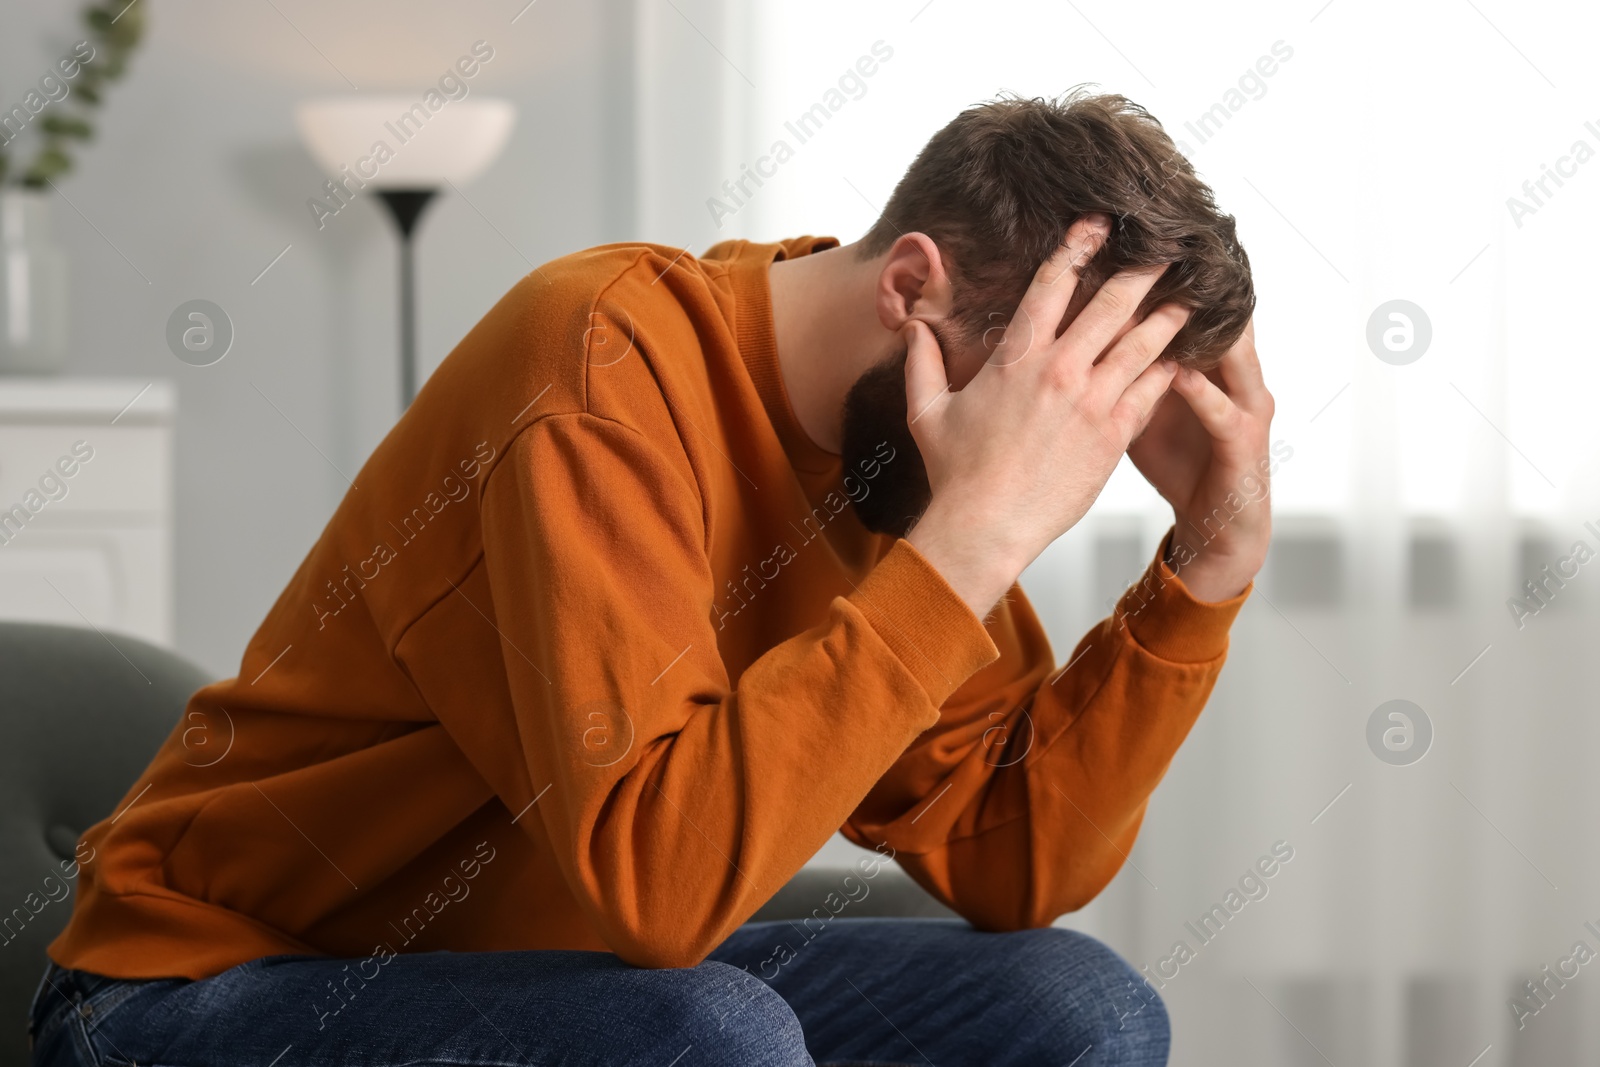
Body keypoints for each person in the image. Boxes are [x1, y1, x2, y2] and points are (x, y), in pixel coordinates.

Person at [32, 90, 1273, 1066]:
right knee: (710, 1035)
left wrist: (1204, 571)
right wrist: (977, 536)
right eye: (1049, 404)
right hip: (204, 991)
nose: (1056, 465)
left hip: (556, 974)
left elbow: (1017, 863)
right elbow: (657, 890)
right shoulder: (597, 362)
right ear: (909, 289)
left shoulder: (899, 458)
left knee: (1077, 1007)